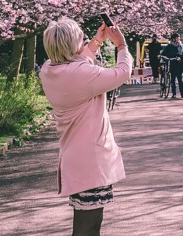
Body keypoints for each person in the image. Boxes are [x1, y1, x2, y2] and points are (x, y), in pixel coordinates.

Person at [39, 17, 132, 236]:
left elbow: (76, 64)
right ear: (72, 44)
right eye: (81, 38)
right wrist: (121, 45)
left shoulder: (48, 70)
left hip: (76, 159)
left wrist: (96, 43)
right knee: (87, 228)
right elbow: (122, 73)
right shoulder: (81, 75)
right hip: (91, 161)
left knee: (87, 225)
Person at [161, 33, 183, 98]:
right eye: (177, 38)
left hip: (179, 64)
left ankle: (182, 93)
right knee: (173, 80)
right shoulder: (169, 46)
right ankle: (174, 93)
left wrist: (180, 58)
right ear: (173, 39)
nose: (178, 39)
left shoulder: (181, 46)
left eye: (179, 38)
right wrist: (160, 55)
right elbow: (163, 53)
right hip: (172, 64)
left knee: (180, 80)